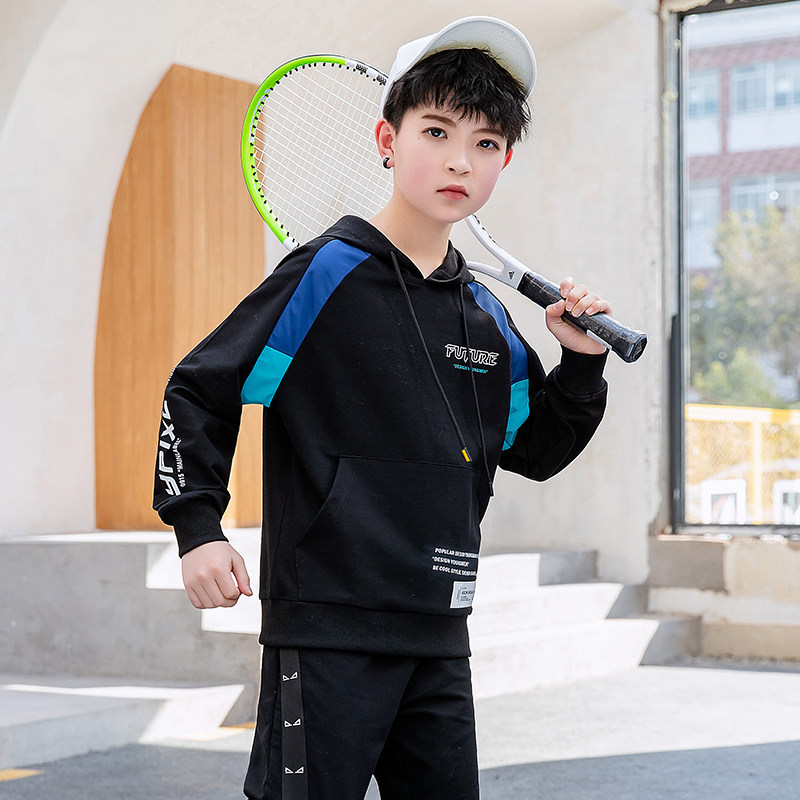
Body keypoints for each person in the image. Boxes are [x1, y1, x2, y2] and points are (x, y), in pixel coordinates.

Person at [154, 16, 611, 800]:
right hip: (326, 630)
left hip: (439, 634)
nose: (460, 160)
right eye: (436, 131)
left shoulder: (487, 318)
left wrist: (581, 362)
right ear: (387, 140)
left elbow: (534, 449)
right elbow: (199, 388)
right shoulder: (324, 273)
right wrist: (198, 528)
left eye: (486, 142)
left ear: (503, 161)